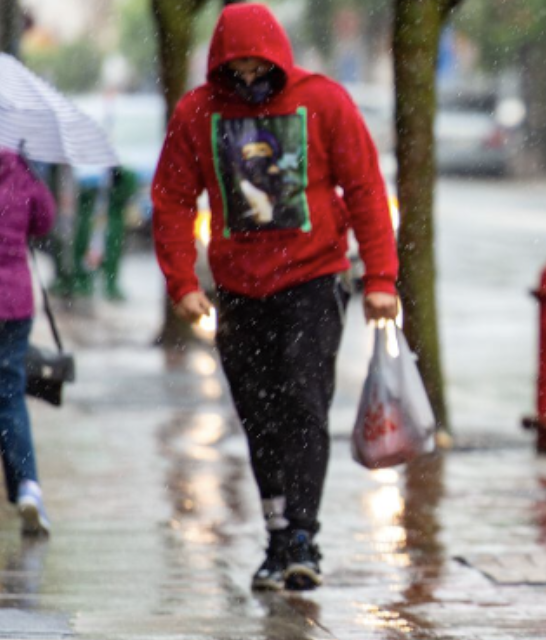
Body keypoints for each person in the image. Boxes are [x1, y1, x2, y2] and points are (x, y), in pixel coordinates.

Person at [151, 3, 399, 591]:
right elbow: (172, 199)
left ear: (277, 60)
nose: (248, 80)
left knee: (304, 407)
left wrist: (382, 280)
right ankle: (276, 534)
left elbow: (364, 187)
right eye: (235, 70)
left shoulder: (324, 102)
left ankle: (304, 539)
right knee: (258, 417)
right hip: (238, 290)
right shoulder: (197, 113)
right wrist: (183, 282)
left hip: (313, 281)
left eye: (257, 68)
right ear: (219, 66)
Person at [0, 149, 55, 536]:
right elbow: (44, 222)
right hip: (14, 303)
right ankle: (28, 487)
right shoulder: (22, 170)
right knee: (9, 396)